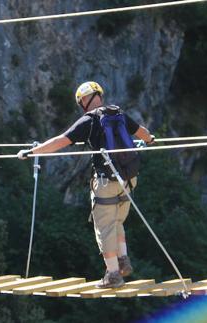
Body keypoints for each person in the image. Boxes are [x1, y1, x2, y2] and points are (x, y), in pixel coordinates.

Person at [17, 81, 155, 288]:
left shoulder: (88, 121)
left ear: (83, 100)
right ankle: (123, 261)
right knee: (117, 221)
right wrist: (150, 140)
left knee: (104, 227)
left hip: (106, 181)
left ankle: (113, 275)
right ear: (99, 95)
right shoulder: (118, 114)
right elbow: (144, 133)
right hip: (128, 180)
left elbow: (59, 142)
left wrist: (31, 153)